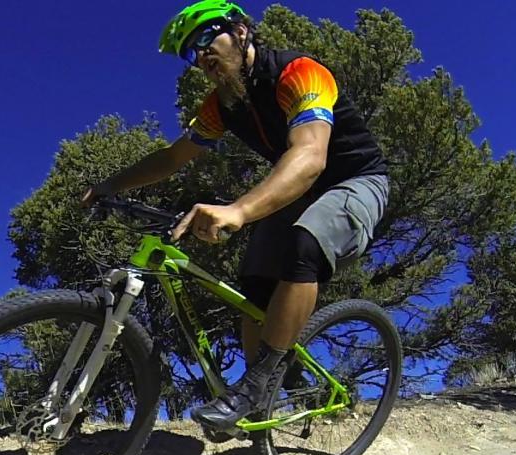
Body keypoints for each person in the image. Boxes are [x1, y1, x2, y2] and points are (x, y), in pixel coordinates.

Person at [81, 0, 389, 431]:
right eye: (191, 51)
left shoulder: (298, 72)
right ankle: (262, 391)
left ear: (242, 32)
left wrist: (239, 210)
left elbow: (310, 154)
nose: (201, 55)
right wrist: (111, 184)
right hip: (301, 191)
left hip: (356, 182)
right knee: (256, 281)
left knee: (305, 242)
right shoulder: (222, 104)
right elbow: (173, 157)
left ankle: (255, 387)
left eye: (207, 39)